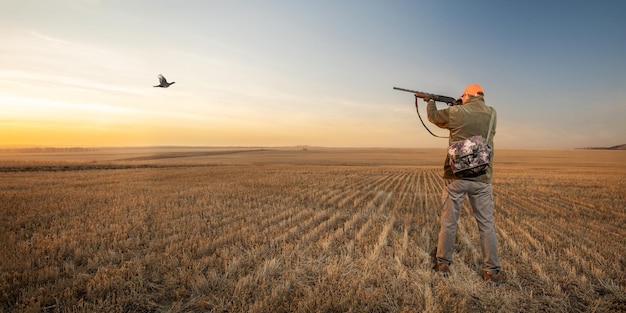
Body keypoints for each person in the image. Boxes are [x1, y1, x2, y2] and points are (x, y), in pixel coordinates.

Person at [424, 84, 507, 285]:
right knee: (486, 225)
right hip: (482, 177)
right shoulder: (493, 114)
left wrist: (431, 100)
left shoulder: (457, 112)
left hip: (456, 176)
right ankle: (492, 272)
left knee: (449, 222)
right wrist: (461, 102)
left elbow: (434, 117)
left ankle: (443, 264)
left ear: (467, 96)